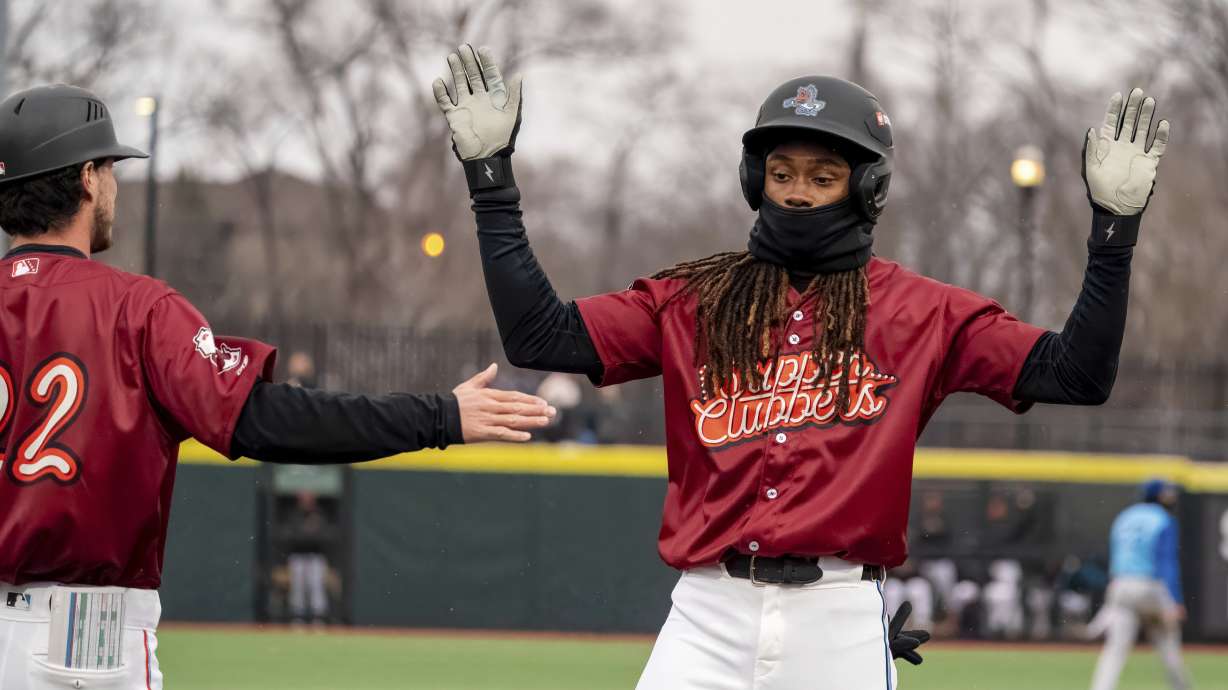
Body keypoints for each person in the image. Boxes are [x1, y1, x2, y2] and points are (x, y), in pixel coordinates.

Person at [434, 45, 1167, 689]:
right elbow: (540, 336)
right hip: (707, 611)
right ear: (756, 178)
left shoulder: (925, 312)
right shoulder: (694, 299)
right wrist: (491, 182)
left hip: (838, 614)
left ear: (868, 187)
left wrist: (1114, 238)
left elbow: (1076, 374)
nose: (797, 191)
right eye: (781, 171)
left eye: (823, 175)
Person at [0, 84, 555, 689]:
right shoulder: (136, 309)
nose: (113, 185)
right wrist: (440, 416)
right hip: (80, 634)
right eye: (109, 169)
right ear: (86, 178)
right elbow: (268, 420)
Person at [1088, 480, 1191, 690]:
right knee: (1168, 645)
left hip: (1121, 584)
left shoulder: (1124, 517)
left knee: (1115, 649)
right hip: (1151, 586)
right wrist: (1175, 599)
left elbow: (1116, 555)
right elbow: (1165, 562)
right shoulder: (1162, 519)